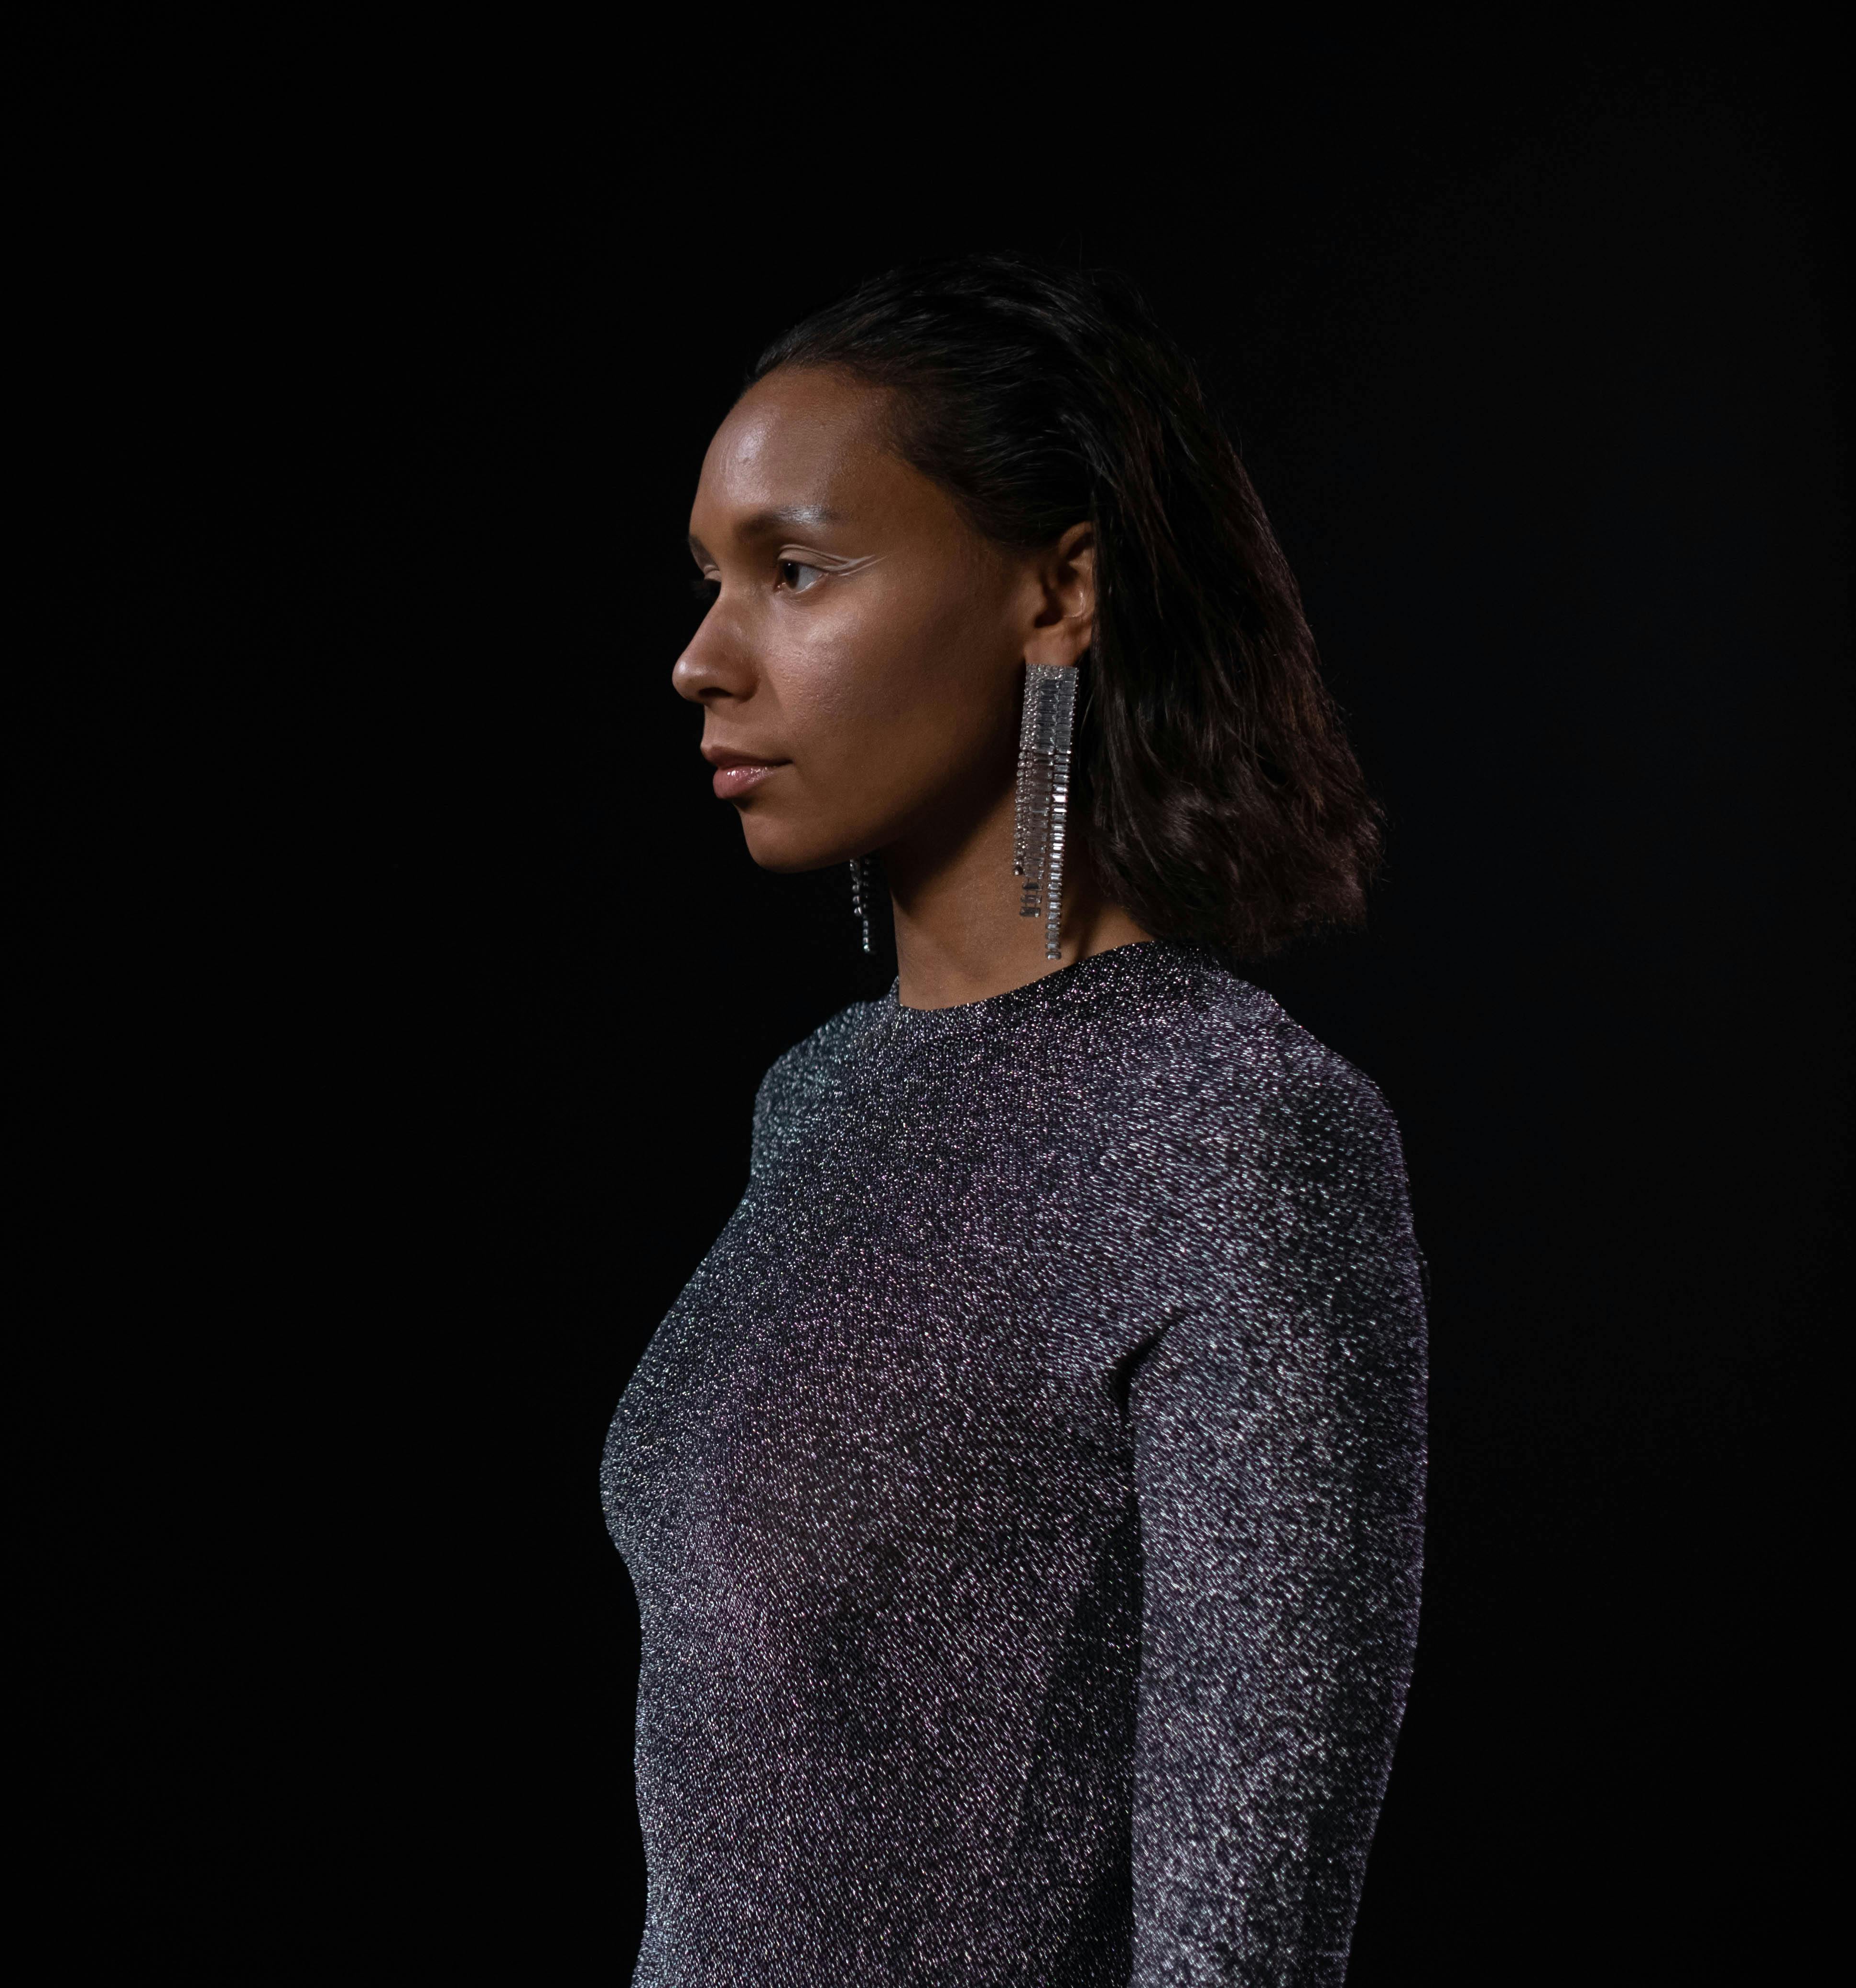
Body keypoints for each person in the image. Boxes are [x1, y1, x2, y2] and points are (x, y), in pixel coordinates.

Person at [603, 257, 1425, 1987]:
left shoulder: (1233, 1132)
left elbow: (1241, 1943)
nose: (699, 661)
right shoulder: (817, 1099)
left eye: (797, 573)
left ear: (1060, 593)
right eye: (708, 582)